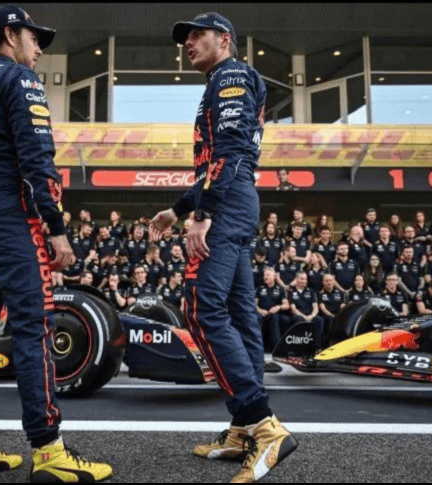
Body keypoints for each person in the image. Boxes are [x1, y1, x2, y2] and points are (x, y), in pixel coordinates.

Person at [0, 5, 111, 483]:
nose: (39, 48)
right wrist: (55, 228)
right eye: (34, 38)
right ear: (10, 35)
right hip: (10, 216)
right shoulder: (18, 80)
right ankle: (49, 451)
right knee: (34, 328)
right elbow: (39, 158)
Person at [150, 12, 296, 483]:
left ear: (224, 40)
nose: (188, 43)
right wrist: (178, 209)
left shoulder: (231, 75)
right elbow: (218, 161)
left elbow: (230, 152)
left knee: (201, 310)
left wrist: (201, 215)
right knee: (235, 313)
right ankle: (242, 429)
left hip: (228, 203)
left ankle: (264, 426)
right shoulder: (226, 78)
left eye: (197, 35)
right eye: (185, 37)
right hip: (233, 197)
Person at [287, 271, 325, 349]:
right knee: (299, 319)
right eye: (302, 279)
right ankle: (301, 348)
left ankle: (317, 348)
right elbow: (293, 309)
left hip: (310, 315)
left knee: (319, 320)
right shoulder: (291, 292)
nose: (304, 281)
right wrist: (304, 317)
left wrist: (312, 315)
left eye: (305, 279)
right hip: (298, 315)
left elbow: (315, 307)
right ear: (296, 279)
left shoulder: (311, 291)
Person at [255, 267, 289, 350]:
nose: (265, 277)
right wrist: (260, 310)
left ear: (274, 276)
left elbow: (286, 305)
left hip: (274, 314)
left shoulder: (280, 289)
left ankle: (277, 348)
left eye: (268, 275)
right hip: (262, 313)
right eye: (264, 275)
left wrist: (278, 307)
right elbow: (253, 304)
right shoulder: (260, 288)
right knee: (257, 317)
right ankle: (258, 347)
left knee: (276, 317)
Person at [318, 274, 345, 340]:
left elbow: (343, 306)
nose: (329, 282)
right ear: (323, 282)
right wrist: (333, 316)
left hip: (338, 315)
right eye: (327, 281)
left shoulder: (340, 293)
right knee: (330, 319)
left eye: (331, 280)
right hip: (327, 316)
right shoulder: (320, 294)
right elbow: (323, 309)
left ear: (334, 282)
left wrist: (339, 316)